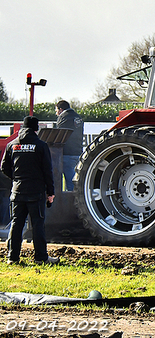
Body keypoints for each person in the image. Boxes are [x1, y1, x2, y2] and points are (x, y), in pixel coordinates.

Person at [1, 116, 58, 265]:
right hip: (36, 193)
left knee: (16, 224)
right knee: (37, 225)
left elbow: (3, 167)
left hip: (17, 192)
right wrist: (50, 192)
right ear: (36, 129)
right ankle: (41, 258)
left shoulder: (12, 145)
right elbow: (47, 171)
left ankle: (12, 258)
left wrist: (17, 178)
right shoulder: (40, 146)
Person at [55, 100, 84, 191]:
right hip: (78, 152)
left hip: (67, 153)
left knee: (70, 183)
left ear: (60, 109)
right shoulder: (78, 117)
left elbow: (59, 134)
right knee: (76, 179)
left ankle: (71, 202)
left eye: (56, 111)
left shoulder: (64, 117)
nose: (56, 113)